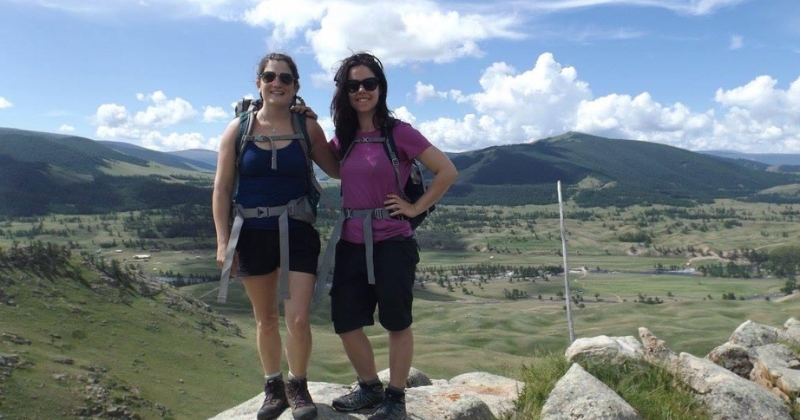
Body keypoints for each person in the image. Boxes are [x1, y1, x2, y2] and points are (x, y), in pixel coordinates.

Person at [327, 52, 458, 420]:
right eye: (353, 85)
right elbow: (329, 165)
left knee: (397, 320)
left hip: (393, 241)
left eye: (369, 83)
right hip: (352, 239)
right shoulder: (346, 137)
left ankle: (396, 398)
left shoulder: (399, 132)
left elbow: (446, 171)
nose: (362, 90)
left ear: (381, 88)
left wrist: (415, 208)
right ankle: (370, 388)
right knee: (345, 319)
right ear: (345, 91)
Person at [212, 52, 339, 420]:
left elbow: (338, 168)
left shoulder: (307, 129)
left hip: (297, 230)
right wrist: (223, 242)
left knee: (297, 318)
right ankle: (273, 387)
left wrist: (341, 130)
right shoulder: (237, 130)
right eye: (270, 76)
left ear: (296, 86)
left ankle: (297, 385)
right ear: (259, 84)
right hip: (250, 233)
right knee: (265, 318)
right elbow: (221, 190)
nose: (277, 83)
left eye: (285, 78)